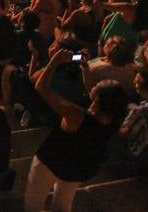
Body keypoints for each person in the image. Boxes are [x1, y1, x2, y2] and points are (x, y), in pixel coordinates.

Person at [23, 50, 130, 212]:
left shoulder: (76, 115)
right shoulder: (113, 120)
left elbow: (41, 88)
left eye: (97, 87)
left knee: (33, 203)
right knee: (62, 206)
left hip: (50, 162)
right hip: (77, 169)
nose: (94, 87)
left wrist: (53, 62)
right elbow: (92, 92)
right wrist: (85, 68)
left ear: (98, 100)